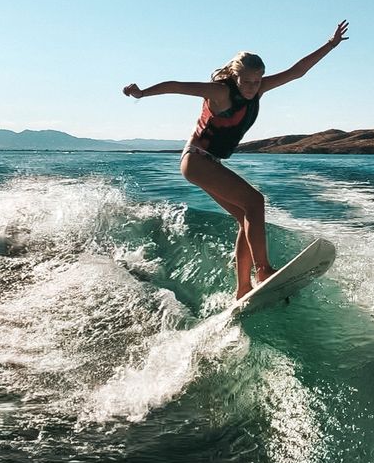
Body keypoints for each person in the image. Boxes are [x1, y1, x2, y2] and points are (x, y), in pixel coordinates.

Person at [123, 21, 349, 300]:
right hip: (196, 159)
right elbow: (177, 86)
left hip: (208, 162)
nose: (253, 88)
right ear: (235, 75)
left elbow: (297, 72)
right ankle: (263, 269)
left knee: (245, 217)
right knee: (256, 202)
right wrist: (143, 92)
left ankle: (242, 288)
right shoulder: (220, 91)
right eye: (247, 82)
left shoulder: (260, 88)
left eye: (257, 81)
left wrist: (330, 44)